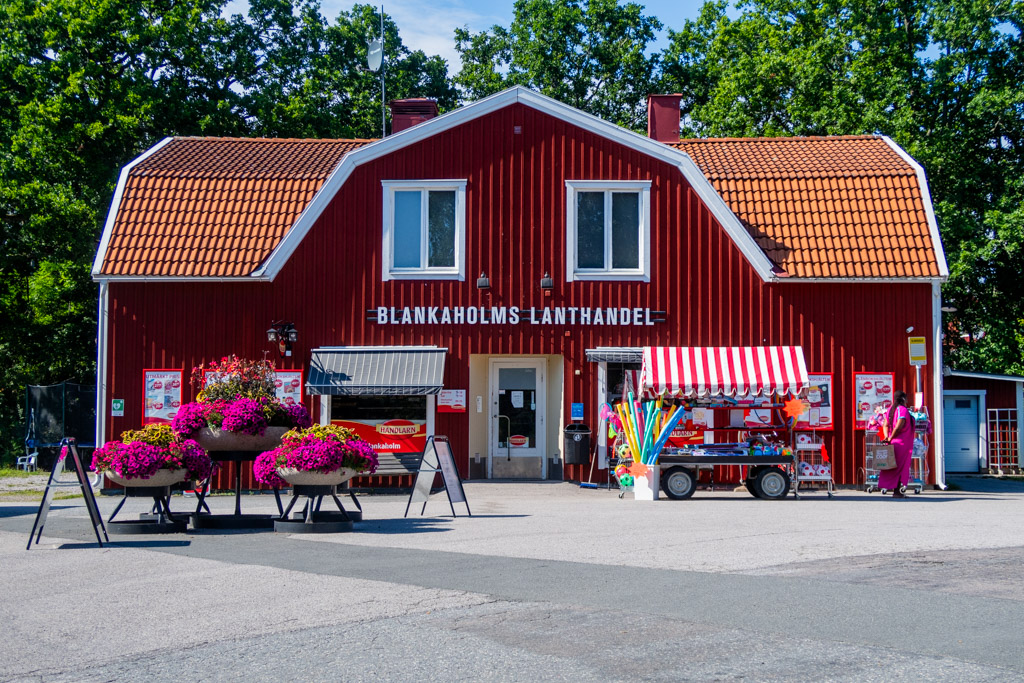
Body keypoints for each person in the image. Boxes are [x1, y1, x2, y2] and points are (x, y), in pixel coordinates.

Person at [879, 391, 914, 498]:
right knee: (901, 468)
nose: (907, 401)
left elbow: (885, 425)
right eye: (906, 399)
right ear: (903, 399)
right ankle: (897, 492)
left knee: (893, 467)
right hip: (902, 443)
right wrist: (891, 437)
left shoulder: (890, 409)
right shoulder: (902, 410)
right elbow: (899, 426)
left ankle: (896, 490)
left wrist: (887, 437)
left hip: (892, 442)